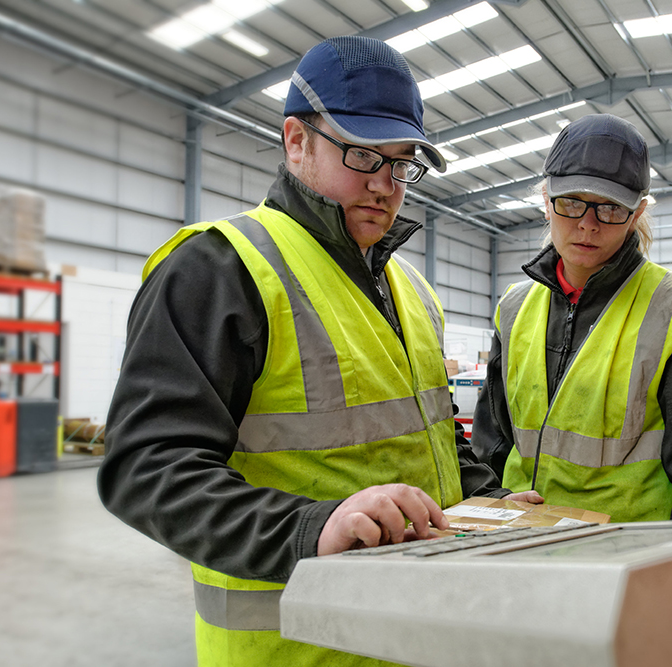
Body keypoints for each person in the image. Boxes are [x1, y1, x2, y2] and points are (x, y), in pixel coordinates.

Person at [98, 36, 538, 667]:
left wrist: (486, 502)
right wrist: (311, 528)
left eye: (402, 161)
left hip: (417, 633)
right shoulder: (222, 270)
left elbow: (433, 438)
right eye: (362, 155)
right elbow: (146, 468)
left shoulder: (409, 288)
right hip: (296, 647)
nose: (386, 185)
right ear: (295, 141)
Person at [471, 113, 672, 522]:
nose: (587, 224)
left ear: (636, 214)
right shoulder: (514, 308)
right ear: (546, 201)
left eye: (611, 209)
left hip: (628, 554)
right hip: (522, 543)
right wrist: (493, 499)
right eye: (571, 202)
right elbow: (492, 443)